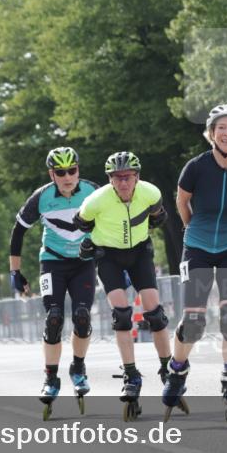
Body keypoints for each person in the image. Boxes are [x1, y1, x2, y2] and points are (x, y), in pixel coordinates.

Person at [162, 104, 227, 426]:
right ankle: (176, 373)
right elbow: (181, 201)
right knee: (193, 322)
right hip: (197, 249)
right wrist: (194, 230)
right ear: (211, 133)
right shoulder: (195, 167)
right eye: (221, 127)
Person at [72, 151, 171, 421]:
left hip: (139, 252)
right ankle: (131, 374)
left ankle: (167, 370)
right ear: (110, 180)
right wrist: (91, 241)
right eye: (117, 178)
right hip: (109, 256)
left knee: (155, 314)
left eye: (127, 177)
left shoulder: (150, 193)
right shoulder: (96, 201)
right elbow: (80, 222)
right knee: (122, 315)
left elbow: (158, 217)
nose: (123, 183)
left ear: (137, 177)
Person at [9, 147, 99, 419]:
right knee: (54, 318)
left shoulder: (93, 191)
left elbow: (113, 221)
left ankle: (78, 368)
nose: (67, 177)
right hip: (53, 261)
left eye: (72, 170)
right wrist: (16, 272)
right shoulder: (42, 197)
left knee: (82, 317)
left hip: (84, 262)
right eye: (61, 172)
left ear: (78, 170)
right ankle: (51, 378)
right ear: (52, 174)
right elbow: (18, 232)